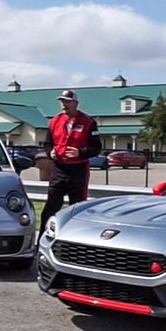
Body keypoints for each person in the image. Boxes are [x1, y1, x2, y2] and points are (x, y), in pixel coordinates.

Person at [40, 89, 102, 232]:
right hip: (58, 169)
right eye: (62, 102)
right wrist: (51, 153)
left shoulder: (88, 122)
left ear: (75, 103)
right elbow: (48, 144)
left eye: (67, 102)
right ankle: (42, 241)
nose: (64, 105)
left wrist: (80, 152)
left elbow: (96, 147)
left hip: (78, 170)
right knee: (50, 208)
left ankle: (74, 241)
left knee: (77, 209)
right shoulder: (54, 121)